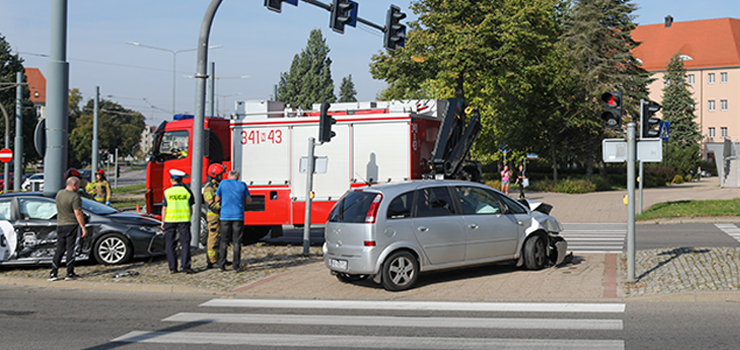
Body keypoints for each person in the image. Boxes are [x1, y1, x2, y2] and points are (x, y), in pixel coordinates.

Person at [49, 176, 88, 281]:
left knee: (60, 249)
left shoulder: (59, 194)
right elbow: (78, 213)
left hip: (60, 224)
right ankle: (69, 273)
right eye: (79, 185)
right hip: (72, 224)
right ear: (74, 185)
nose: (79, 187)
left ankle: (53, 272)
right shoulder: (75, 197)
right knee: (71, 249)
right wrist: (83, 227)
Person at [215, 170, 251, 272]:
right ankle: (236, 266)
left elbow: (216, 199)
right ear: (238, 177)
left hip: (225, 217)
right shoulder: (242, 185)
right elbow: (248, 200)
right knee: (237, 242)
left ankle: (221, 265)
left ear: (229, 176)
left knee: (223, 241)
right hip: (238, 216)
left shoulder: (223, 183)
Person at [160, 169, 195, 274]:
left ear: (172, 180)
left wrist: (163, 221)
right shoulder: (187, 191)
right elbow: (190, 207)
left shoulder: (167, 192)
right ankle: (185, 265)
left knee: (170, 244)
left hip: (170, 220)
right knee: (185, 243)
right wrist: (190, 218)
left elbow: (164, 208)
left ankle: (173, 267)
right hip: (184, 220)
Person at [203, 163, 226, 269]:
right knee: (213, 239)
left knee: (221, 238)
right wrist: (223, 205)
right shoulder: (209, 188)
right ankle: (212, 261)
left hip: (219, 217)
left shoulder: (218, 185)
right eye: (221, 174)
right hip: (213, 218)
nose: (222, 176)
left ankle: (221, 258)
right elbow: (211, 205)